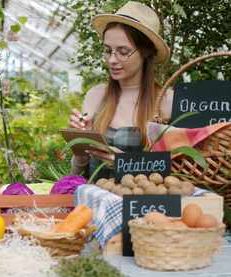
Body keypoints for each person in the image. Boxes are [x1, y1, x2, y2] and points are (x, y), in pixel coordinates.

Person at [69, 1, 173, 178]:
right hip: (93, 203)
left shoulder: (165, 101)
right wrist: (79, 151)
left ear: (146, 52)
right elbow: (77, 176)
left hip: (143, 204)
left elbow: (177, 176)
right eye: (108, 50)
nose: (112, 60)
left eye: (123, 51)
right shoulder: (96, 97)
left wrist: (126, 164)